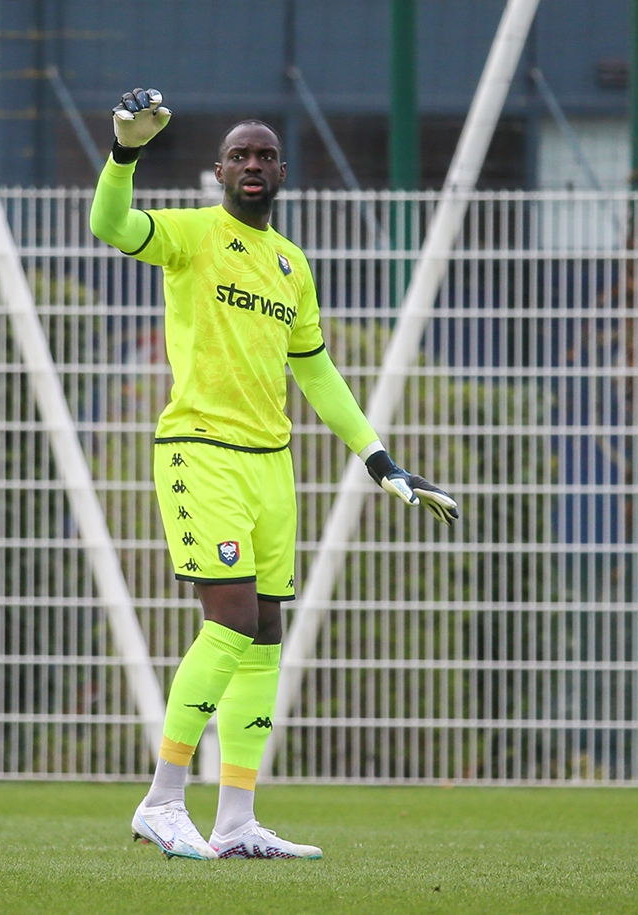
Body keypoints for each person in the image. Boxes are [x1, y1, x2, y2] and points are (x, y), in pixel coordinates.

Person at [89, 88, 458, 861]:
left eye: (264, 155)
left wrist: (379, 458)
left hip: (272, 467)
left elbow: (317, 372)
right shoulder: (191, 235)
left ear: (281, 172)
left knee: (264, 633)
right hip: (200, 450)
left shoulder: (293, 265)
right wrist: (125, 151)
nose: (252, 164)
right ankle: (161, 798)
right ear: (218, 169)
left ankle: (235, 819)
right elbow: (111, 225)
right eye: (239, 154)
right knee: (226, 618)